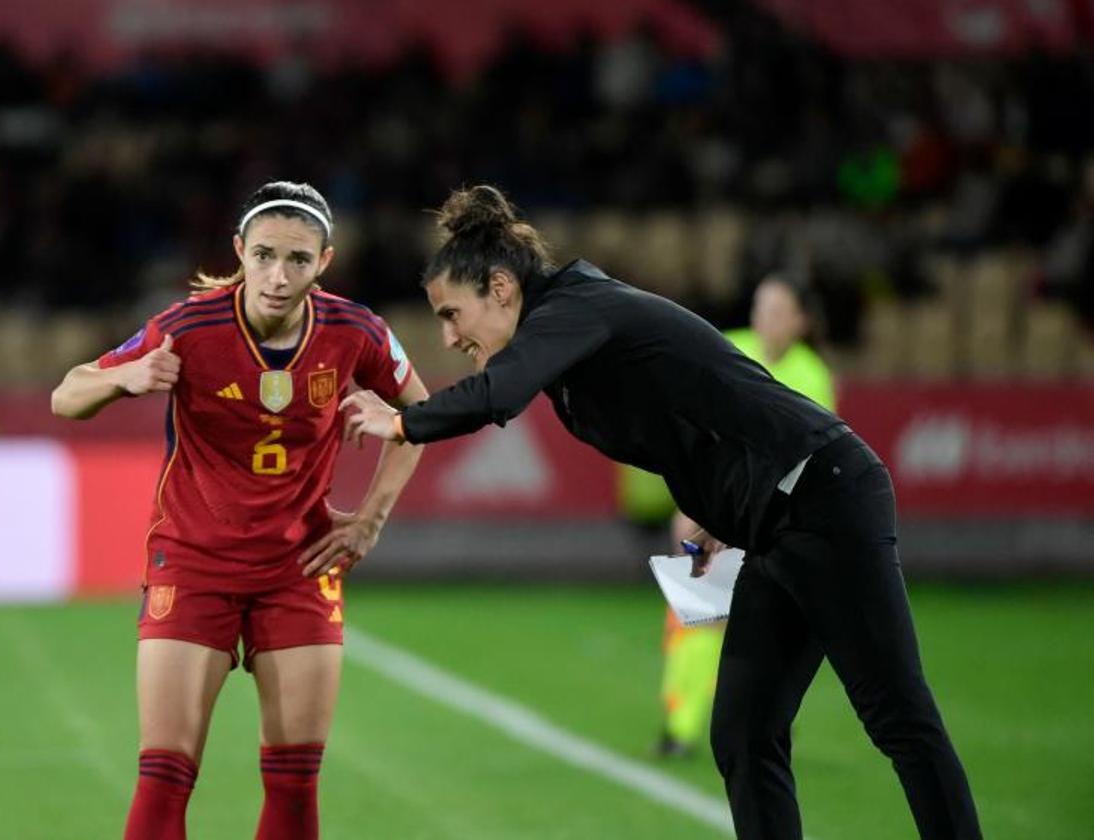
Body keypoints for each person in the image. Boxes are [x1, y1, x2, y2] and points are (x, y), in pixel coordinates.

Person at [341, 185, 983, 840]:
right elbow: (687, 419)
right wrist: (710, 517)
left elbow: (498, 395)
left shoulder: (573, 307)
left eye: (453, 315)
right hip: (772, 519)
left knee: (897, 715)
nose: (447, 336)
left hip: (824, 495)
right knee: (743, 732)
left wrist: (401, 421)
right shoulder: (570, 331)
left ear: (501, 288)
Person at [51, 181, 428, 840]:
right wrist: (122, 379)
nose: (278, 277)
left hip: (300, 567)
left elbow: (420, 418)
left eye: (298, 260)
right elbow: (66, 395)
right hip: (193, 563)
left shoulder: (355, 330)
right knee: (165, 776)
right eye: (263, 256)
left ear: (325, 262)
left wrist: (370, 517)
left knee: (294, 781)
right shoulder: (189, 326)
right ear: (239, 252)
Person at [659, 273, 836, 759]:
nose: (765, 319)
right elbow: (695, 432)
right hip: (715, 505)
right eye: (760, 307)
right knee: (698, 614)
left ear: (800, 321)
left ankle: (766, 721)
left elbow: (803, 457)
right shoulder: (726, 348)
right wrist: (688, 504)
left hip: (775, 518)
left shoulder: (812, 375)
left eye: (778, 311)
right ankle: (680, 727)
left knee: (769, 627)